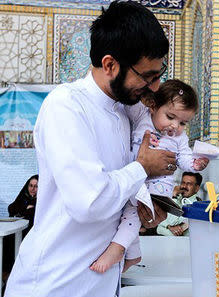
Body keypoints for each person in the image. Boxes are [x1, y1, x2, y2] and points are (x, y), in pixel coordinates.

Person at [5, 2, 177, 297]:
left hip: (101, 281)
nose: (154, 86)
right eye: (147, 77)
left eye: (158, 75)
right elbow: (90, 202)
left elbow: (122, 190)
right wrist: (142, 168)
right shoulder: (67, 105)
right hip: (56, 283)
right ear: (110, 65)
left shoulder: (126, 111)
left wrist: (151, 204)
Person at [90, 79, 209, 272]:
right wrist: (145, 90)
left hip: (158, 185)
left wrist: (196, 164)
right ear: (153, 107)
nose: (175, 126)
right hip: (134, 175)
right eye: (170, 117)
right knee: (126, 212)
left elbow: (185, 159)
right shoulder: (142, 116)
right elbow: (126, 101)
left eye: (182, 122)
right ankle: (134, 254)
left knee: (134, 212)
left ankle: (118, 248)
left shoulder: (180, 138)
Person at [157, 172, 203, 236]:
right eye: (183, 183)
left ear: (197, 188)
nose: (184, 186)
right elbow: (158, 228)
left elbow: (172, 225)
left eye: (189, 184)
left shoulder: (197, 206)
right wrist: (169, 227)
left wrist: (174, 196)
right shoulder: (177, 199)